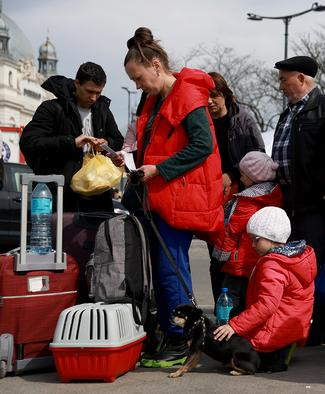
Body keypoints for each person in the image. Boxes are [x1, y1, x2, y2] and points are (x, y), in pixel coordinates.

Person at [123, 27, 223, 368]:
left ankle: (181, 339)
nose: (138, 85)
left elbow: (202, 146)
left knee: (171, 269)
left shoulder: (187, 95)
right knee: (166, 269)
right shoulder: (158, 99)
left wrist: (157, 170)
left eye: (138, 78)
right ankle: (172, 333)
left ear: (155, 65)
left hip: (176, 197)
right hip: (162, 196)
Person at [271, 55, 325, 345]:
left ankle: (322, 325)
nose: (281, 86)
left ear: (301, 78)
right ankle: (298, 322)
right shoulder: (288, 113)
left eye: (284, 79)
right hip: (289, 201)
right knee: (292, 265)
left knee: (316, 264)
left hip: (315, 201)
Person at [213, 207, 316, 373]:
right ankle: (283, 348)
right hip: (290, 327)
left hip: (275, 331)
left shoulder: (273, 265)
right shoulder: (296, 257)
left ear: (272, 238)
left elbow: (266, 305)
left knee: (228, 350)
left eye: (256, 239)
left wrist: (235, 326)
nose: (252, 245)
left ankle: (273, 357)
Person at [20, 62, 123, 212]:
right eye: (89, 91)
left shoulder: (103, 111)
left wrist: (107, 143)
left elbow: (118, 141)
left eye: (98, 93)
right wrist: (71, 143)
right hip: (61, 196)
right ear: (77, 84)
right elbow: (29, 142)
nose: (94, 98)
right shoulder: (52, 108)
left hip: (96, 196)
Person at [207, 71, 265, 303]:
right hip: (211, 194)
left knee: (239, 256)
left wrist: (232, 175)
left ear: (225, 95)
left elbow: (258, 157)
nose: (210, 101)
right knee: (216, 255)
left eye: (215, 95)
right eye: (206, 97)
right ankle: (221, 309)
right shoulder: (202, 119)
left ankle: (241, 308)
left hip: (240, 193)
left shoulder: (243, 119)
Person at [211, 151, 283, 317]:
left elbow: (232, 232)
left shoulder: (247, 202)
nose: (241, 178)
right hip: (258, 257)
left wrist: (220, 256)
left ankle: (227, 326)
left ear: (254, 177)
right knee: (251, 297)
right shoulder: (274, 194)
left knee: (231, 296)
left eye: (243, 175)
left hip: (239, 260)